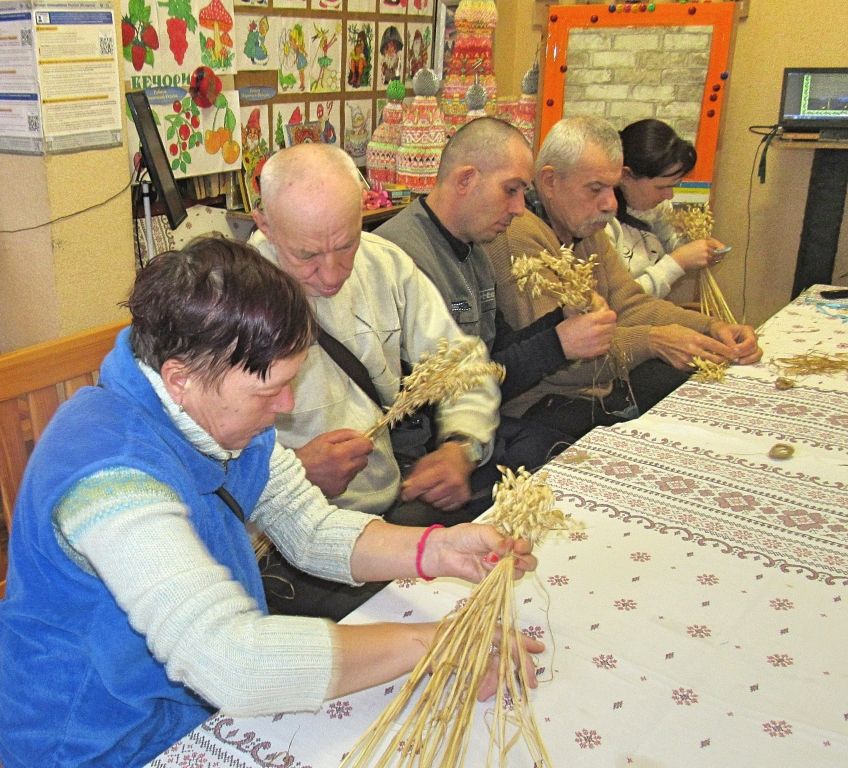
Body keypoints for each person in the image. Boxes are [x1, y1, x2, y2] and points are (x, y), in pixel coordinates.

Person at [0, 237, 540, 768]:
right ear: (180, 378)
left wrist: (439, 550)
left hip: (184, 708)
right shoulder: (110, 478)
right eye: (268, 391)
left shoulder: (210, 407)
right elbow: (231, 663)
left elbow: (309, 528)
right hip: (95, 740)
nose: (285, 405)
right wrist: (432, 644)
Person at [250, 144, 506, 613]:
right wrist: (294, 472)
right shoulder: (228, 300)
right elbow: (203, 459)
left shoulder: (384, 265)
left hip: (388, 507)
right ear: (264, 224)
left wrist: (461, 446)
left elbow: (463, 364)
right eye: (307, 255)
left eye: (346, 244)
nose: (332, 274)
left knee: (488, 578)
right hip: (282, 542)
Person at [483, 116, 762, 439]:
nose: (611, 204)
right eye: (595, 189)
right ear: (549, 182)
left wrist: (710, 327)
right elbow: (558, 363)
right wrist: (653, 341)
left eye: (613, 188)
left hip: (596, 391)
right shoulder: (518, 236)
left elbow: (629, 304)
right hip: (541, 408)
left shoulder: (583, 227)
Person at [376, 117, 614, 453]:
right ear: (466, 179)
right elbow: (445, 394)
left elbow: (496, 350)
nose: (519, 209)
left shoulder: (476, 250)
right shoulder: (400, 258)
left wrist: (561, 320)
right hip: (432, 448)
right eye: (511, 190)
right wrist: (558, 345)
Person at [606, 118, 727, 298]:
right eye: (661, 187)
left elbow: (670, 240)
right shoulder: (601, 225)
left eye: (674, 186)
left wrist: (699, 249)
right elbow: (617, 301)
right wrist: (678, 262)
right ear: (626, 175)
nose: (669, 196)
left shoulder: (656, 207)